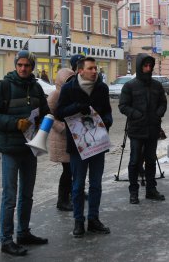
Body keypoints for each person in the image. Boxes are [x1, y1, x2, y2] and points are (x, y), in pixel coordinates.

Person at [0, 50, 49, 256]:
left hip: (31, 148)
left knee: (27, 195)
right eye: (20, 65)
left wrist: (43, 122)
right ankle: (6, 240)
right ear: (15, 65)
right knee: (10, 196)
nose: (23, 68)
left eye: (27, 65)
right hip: (10, 149)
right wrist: (14, 123)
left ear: (32, 67)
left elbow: (45, 111)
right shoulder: (4, 86)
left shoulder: (36, 87)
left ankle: (23, 232)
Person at [56, 57, 113, 238]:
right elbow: (59, 112)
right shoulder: (69, 88)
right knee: (78, 185)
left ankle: (94, 219)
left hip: (98, 143)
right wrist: (77, 107)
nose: (95, 71)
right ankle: (78, 221)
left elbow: (107, 112)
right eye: (91, 68)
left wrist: (106, 122)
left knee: (96, 184)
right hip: (78, 145)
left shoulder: (102, 88)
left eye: (95, 68)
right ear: (80, 71)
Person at [119, 53, 167, 204]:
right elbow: (123, 106)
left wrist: (158, 114)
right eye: (145, 66)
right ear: (140, 67)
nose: (148, 68)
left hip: (153, 128)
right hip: (136, 129)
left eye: (150, 66)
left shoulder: (157, 85)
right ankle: (133, 192)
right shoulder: (130, 86)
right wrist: (135, 114)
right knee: (134, 161)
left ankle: (151, 190)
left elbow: (163, 103)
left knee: (151, 160)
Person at [47, 68, 75, 212]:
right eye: (67, 81)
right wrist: (62, 127)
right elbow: (48, 116)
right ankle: (62, 200)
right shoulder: (55, 95)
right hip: (61, 138)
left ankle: (68, 197)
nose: (70, 83)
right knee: (68, 170)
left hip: (72, 137)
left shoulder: (72, 93)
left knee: (72, 170)